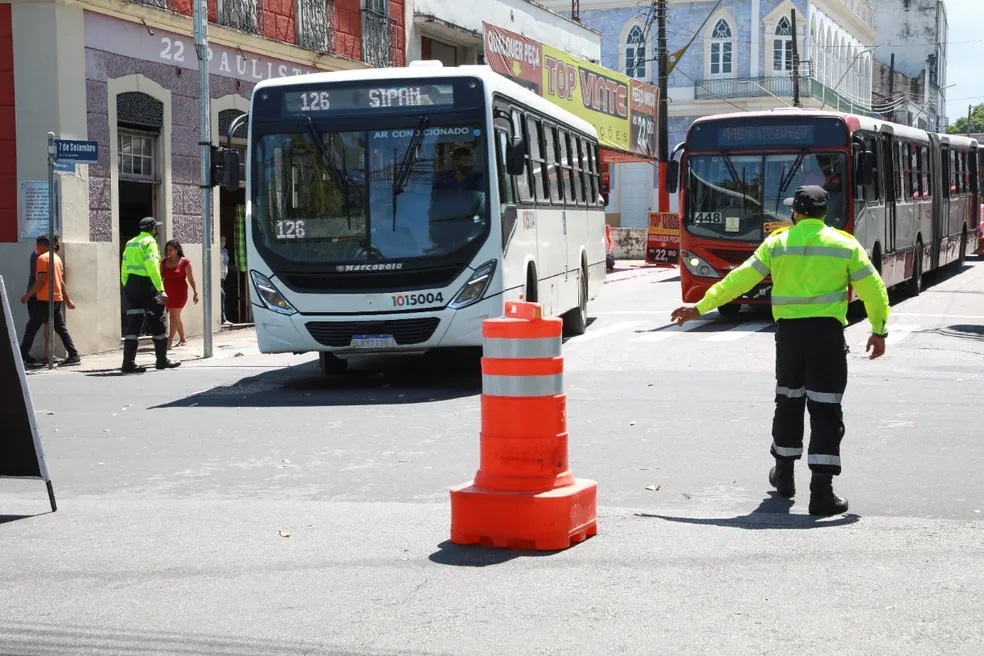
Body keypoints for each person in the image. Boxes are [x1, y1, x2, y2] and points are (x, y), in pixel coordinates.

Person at [670, 186, 891, 516]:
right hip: (826, 337)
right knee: (826, 408)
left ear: (796, 213)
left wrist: (700, 307)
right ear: (824, 213)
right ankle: (822, 493)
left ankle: (784, 477)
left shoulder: (778, 242)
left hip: (789, 338)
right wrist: (878, 330)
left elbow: (740, 280)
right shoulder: (844, 244)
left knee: (788, 402)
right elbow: (873, 289)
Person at [120, 217, 180, 373]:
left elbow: (124, 265)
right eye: (156, 228)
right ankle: (162, 360)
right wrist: (161, 289)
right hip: (147, 285)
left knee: (133, 325)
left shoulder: (131, 242)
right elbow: (152, 266)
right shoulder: (150, 242)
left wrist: (126, 285)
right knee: (158, 321)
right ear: (153, 229)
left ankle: (128, 363)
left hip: (131, 286)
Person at [19, 234, 81, 366]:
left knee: (31, 328)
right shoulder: (57, 259)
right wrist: (67, 300)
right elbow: (61, 282)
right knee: (61, 328)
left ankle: (21, 356)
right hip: (56, 299)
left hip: (45, 300)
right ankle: (74, 355)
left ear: (43, 246)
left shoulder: (42, 259)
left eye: (38, 246)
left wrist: (28, 295)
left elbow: (40, 280)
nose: (37, 249)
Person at [23, 234, 61, 364]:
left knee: (46, 325)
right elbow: (39, 279)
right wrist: (30, 295)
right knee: (34, 326)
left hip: (42, 296)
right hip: (37, 296)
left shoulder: (48, 257)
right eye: (56, 244)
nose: (57, 246)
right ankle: (25, 354)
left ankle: (47, 354)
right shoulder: (40, 256)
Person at [160, 239, 199, 348]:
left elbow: (191, 279)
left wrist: (196, 293)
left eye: (171, 250)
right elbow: (160, 277)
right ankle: (183, 339)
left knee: (173, 316)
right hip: (167, 293)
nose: (169, 252)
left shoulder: (185, 262)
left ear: (177, 250)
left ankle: (169, 342)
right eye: (167, 250)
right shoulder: (164, 262)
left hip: (180, 293)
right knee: (176, 317)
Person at [220, 235, 233, 327]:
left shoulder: (225, 251)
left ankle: (224, 318)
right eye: (221, 240)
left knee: (224, 296)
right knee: (222, 295)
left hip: (223, 278)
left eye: (224, 240)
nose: (222, 242)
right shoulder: (215, 250)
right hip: (217, 277)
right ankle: (223, 319)